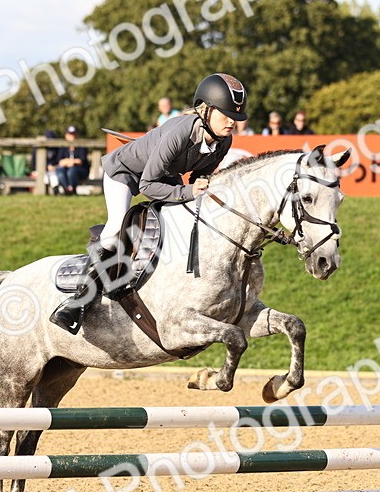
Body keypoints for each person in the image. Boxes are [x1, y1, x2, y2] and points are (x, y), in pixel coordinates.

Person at [50, 72, 246, 334]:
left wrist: (203, 186)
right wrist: (187, 191)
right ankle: (77, 303)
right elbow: (147, 185)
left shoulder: (223, 140)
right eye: (226, 114)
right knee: (116, 230)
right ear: (206, 110)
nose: (232, 121)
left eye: (236, 116)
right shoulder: (180, 132)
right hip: (125, 173)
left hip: (162, 177)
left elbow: (200, 176)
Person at [47, 125, 89, 195]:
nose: (72, 136)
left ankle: (73, 189)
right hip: (65, 169)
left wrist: (69, 162)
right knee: (60, 171)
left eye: (74, 134)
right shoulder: (63, 147)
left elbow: (81, 161)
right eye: (70, 134)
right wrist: (70, 162)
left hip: (80, 170)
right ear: (66, 135)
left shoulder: (81, 146)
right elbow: (60, 162)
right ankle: (67, 189)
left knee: (71, 170)